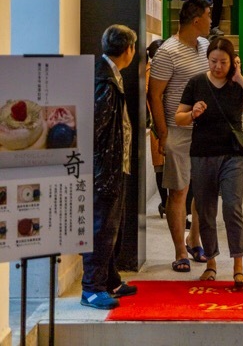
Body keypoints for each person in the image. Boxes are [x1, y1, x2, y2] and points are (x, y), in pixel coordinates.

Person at [174, 36, 243, 285]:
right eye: (213, 61)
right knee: (205, 211)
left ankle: (238, 266)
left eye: (223, 62)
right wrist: (192, 114)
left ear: (232, 62)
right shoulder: (196, 83)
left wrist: (240, 78)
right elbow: (179, 117)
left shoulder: (236, 84)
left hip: (232, 155)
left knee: (232, 208)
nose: (218, 66)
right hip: (202, 154)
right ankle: (211, 263)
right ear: (208, 60)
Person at [148, 0, 211, 272]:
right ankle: (180, 251)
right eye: (208, 16)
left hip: (205, 131)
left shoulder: (205, 46)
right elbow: (154, 95)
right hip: (178, 130)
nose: (211, 21)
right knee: (178, 191)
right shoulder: (168, 52)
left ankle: (194, 239)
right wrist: (163, 134)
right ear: (196, 20)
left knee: (203, 190)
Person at [81, 24, 137, 310]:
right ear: (129, 50)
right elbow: (95, 127)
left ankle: (110, 280)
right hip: (105, 167)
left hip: (114, 164)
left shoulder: (109, 74)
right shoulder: (104, 80)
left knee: (113, 225)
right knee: (101, 226)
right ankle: (92, 288)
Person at [146, 39, 167, 218]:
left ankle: (168, 205)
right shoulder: (148, 73)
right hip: (156, 124)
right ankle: (165, 203)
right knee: (160, 167)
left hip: (170, 123)